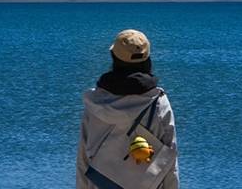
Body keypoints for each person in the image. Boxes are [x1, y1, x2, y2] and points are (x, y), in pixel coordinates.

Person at [76, 29, 179, 189]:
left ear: (114, 58)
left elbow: (83, 159)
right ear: (147, 60)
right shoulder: (159, 102)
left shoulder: (95, 102)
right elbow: (170, 159)